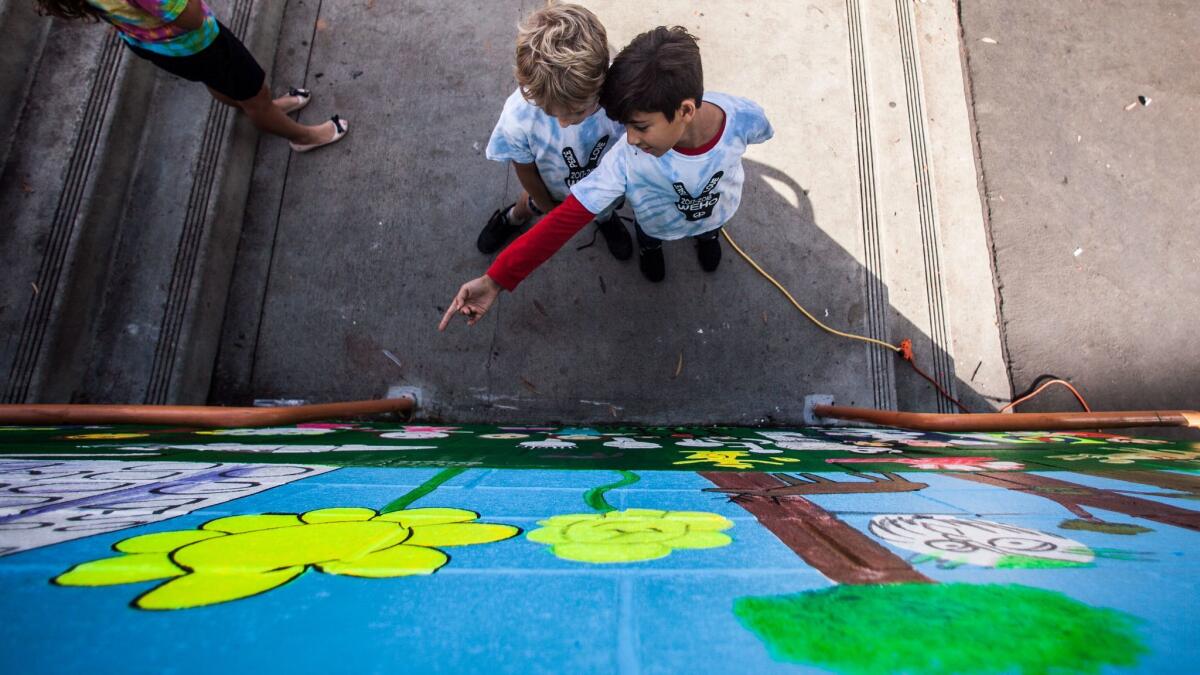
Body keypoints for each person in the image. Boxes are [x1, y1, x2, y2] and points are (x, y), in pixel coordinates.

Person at [440, 25, 773, 330]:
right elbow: (564, 221)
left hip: (717, 211)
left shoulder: (743, 118)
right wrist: (497, 278)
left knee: (710, 227)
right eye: (626, 126)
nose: (628, 138)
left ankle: (707, 237)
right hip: (653, 222)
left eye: (639, 127)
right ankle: (650, 249)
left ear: (685, 111)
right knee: (649, 235)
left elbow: (760, 132)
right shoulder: (627, 158)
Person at [35, 0, 347, 152]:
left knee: (220, 82)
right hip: (197, 43)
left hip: (157, 45)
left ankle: (262, 108)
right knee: (255, 95)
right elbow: (192, 17)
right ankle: (302, 137)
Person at [477, 2, 632, 258]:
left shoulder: (620, 96)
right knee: (531, 203)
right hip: (551, 191)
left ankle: (604, 220)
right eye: (550, 112)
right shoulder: (519, 116)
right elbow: (525, 168)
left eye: (578, 112)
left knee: (601, 208)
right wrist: (549, 207)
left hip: (602, 187)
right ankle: (514, 217)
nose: (562, 123)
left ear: (604, 80)